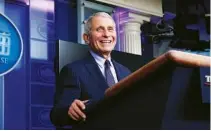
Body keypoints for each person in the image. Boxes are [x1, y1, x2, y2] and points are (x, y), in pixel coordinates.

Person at [50, 12, 131, 128]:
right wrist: (69, 110)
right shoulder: (73, 71)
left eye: (110, 29)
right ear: (86, 38)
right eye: (100, 29)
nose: (107, 34)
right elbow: (57, 114)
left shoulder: (126, 72)